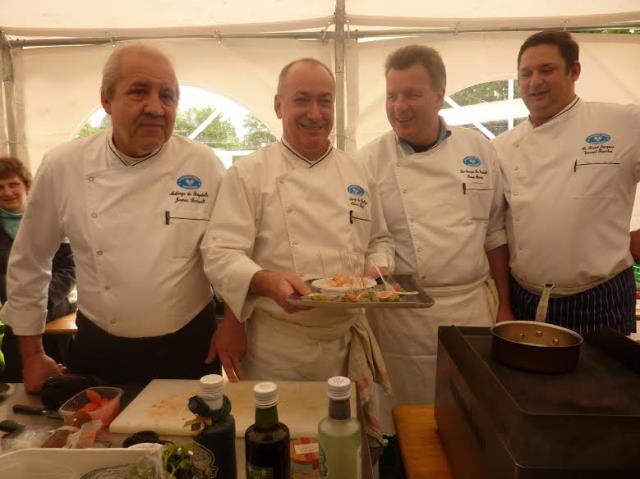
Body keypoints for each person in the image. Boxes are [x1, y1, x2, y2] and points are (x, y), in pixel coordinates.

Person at [0, 43, 225, 391]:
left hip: (190, 346)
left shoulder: (204, 163)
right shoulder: (65, 165)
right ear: (106, 99)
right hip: (101, 347)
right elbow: (30, 260)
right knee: (100, 442)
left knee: (194, 442)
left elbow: (230, 254)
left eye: (167, 96)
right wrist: (31, 355)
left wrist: (235, 324)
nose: (155, 107)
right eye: (139, 92)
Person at [201, 58, 393, 400]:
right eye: (301, 99)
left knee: (342, 444)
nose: (315, 113)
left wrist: (377, 270)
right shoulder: (250, 174)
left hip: (345, 341)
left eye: (325, 100)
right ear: (279, 105)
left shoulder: (358, 174)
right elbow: (221, 252)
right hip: (279, 350)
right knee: (283, 443)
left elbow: (379, 239)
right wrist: (265, 281)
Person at [357, 45, 513, 433]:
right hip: (402, 320)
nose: (399, 106)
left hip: (471, 309)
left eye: (412, 94)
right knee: (407, 426)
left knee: (470, 422)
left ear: (440, 95)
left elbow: (494, 234)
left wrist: (505, 306)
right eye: (392, 96)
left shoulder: (478, 149)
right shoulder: (366, 162)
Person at [493, 31, 640, 336]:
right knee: (526, 384)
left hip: (602, 298)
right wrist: (503, 302)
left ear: (574, 71)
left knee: (606, 385)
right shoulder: (501, 147)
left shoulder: (622, 123)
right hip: (524, 300)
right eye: (526, 73)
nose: (534, 82)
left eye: (546, 70)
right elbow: (497, 232)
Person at [0, 156, 76, 382]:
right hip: (17, 321)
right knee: (24, 384)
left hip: (57, 316)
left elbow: (70, 267)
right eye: (0, 187)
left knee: (65, 382)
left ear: (26, 186)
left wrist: (44, 296)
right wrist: (25, 295)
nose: (7, 192)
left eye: (13, 184)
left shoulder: (51, 218)